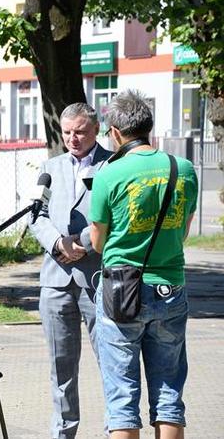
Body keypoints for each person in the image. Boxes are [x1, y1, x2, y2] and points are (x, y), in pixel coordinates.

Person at [89, 90, 197, 439]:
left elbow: (97, 241)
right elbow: (182, 231)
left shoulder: (110, 173)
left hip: (121, 291)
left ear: (116, 133)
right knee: (169, 395)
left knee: (122, 398)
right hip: (170, 288)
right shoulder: (183, 169)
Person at [28, 102, 113, 439]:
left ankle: (116, 430)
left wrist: (83, 244)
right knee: (61, 369)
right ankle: (63, 432)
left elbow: (116, 218)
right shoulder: (50, 166)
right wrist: (58, 244)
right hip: (56, 280)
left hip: (98, 279)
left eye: (80, 131)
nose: (73, 139)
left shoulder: (113, 165)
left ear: (96, 130)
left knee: (112, 364)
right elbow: (36, 216)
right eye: (66, 132)